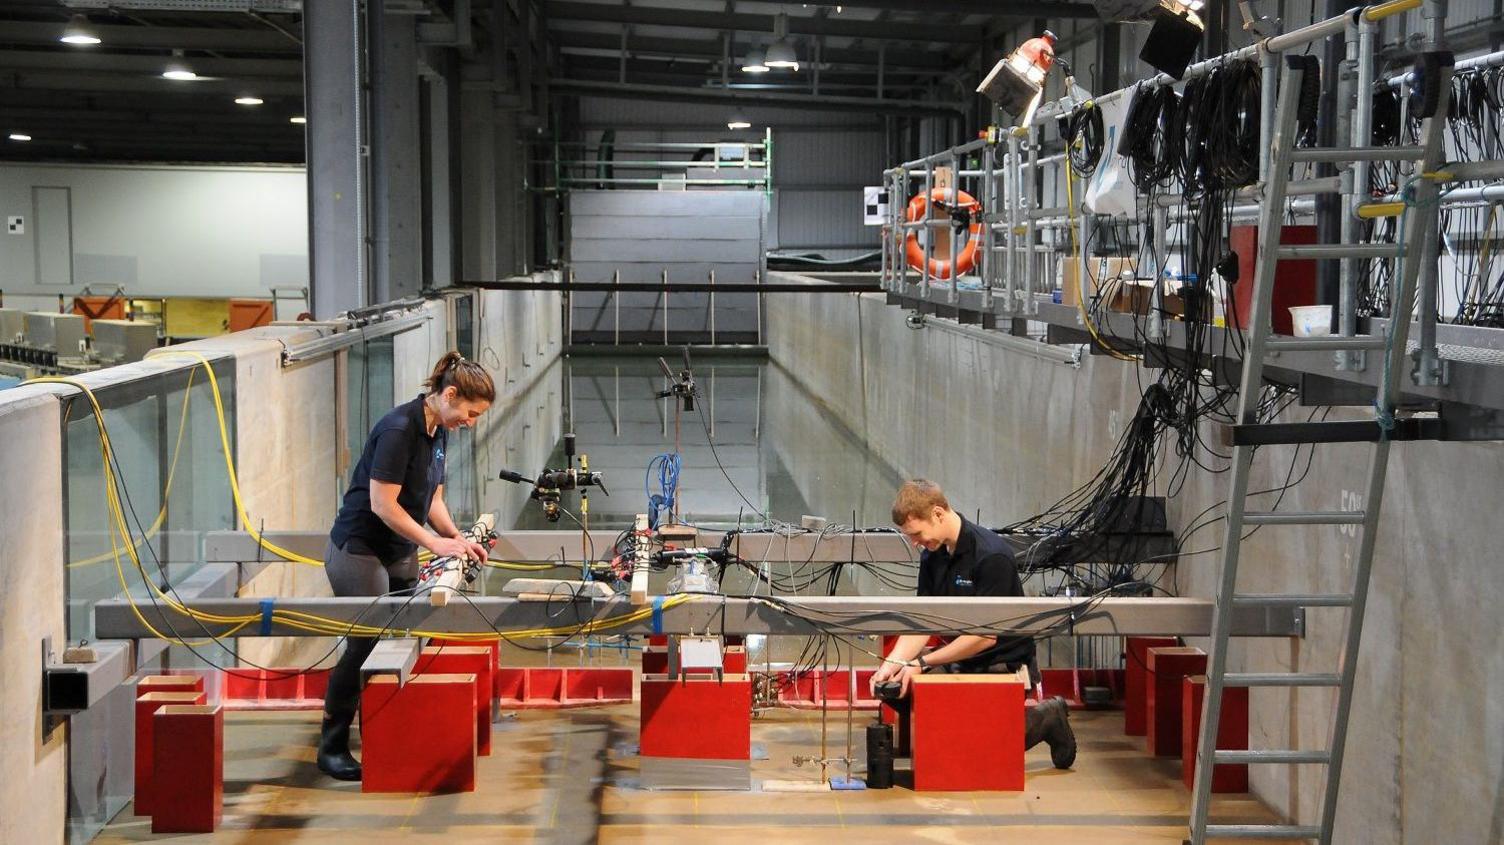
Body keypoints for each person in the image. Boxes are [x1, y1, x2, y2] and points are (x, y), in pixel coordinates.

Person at [316, 351, 496, 781]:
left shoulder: (439, 430)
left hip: (399, 546)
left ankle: (385, 729)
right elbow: (383, 504)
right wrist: (433, 542)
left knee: (408, 631)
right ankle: (332, 745)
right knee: (363, 643)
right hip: (359, 547)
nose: (470, 423)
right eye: (469, 413)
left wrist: (455, 538)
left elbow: (432, 498)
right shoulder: (399, 429)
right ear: (449, 395)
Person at [870, 479, 1077, 769]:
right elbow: (923, 621)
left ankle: (1046, 718)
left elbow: (984, 638)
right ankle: (967, 729)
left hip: (1000, 662)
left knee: (976, 749)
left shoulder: (991, 556)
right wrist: (892, 663)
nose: (914, 543)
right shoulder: (933, 556)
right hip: (961, 659)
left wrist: (921, 662)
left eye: (916, 534)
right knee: (894, 687)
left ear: (938, 514)